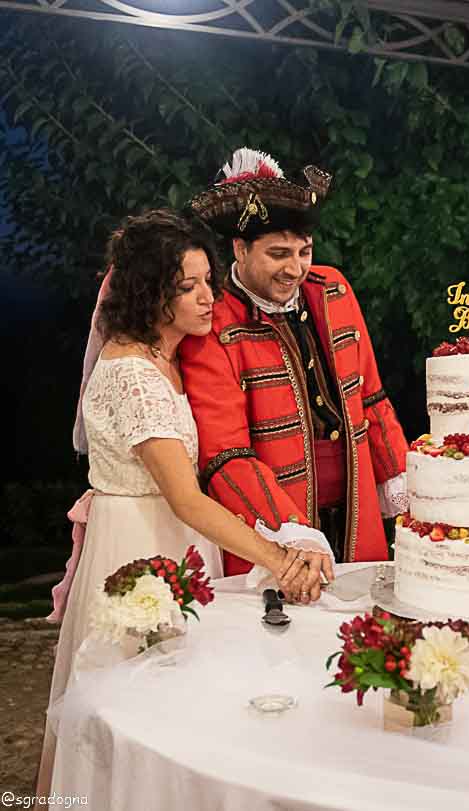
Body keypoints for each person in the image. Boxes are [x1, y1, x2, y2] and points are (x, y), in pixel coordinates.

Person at [39, 209, 333, 793]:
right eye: (187, 287)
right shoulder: (132, 377)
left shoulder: (163, 359)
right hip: (138, 554)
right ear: (150, 294)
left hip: (173, 546)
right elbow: (186, 499)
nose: (208, 299)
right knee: (138, 715)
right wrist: (280, 559)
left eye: (207, 282)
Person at [182, 148, 409, 574]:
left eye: (304, 252)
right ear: (240, 249)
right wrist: (289, 529)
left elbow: (372, 398)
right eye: (279, 254)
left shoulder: (334, 289)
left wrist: (399, 477)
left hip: (356, 515)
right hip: (270, 529)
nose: (295, 268)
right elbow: (225, 455)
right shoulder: (213, 323)